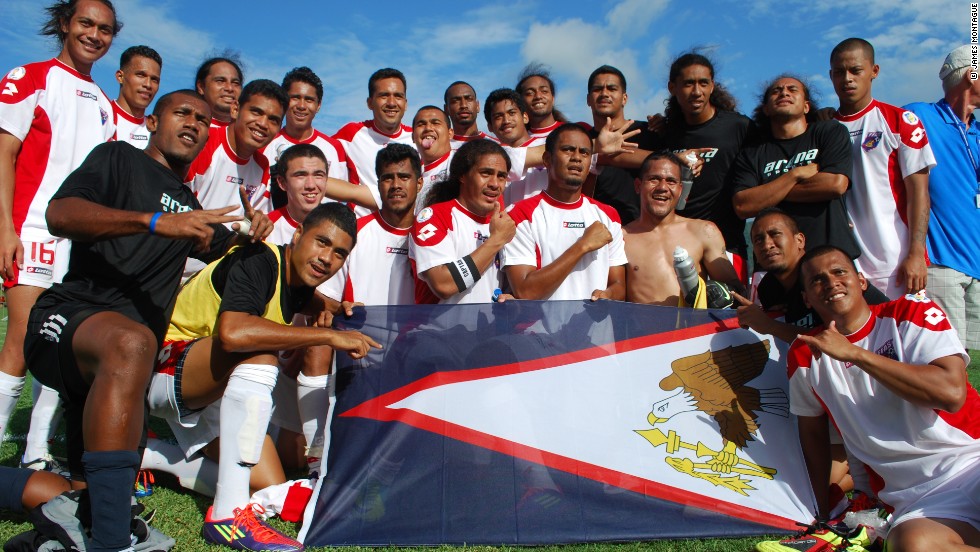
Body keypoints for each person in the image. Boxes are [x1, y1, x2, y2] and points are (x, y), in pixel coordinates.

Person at [24, 88, 270, 552]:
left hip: (120, 374)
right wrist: (153, 221)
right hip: (68, 321)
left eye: (202, 120)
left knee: (86, 500)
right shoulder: (117, 157)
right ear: (154, 122)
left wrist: (252, 232)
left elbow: (225, 242)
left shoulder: (192, 206)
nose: (194, 124)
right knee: (133, 342)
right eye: (182, 113)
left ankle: (47, 536)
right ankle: (115, 545)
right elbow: (60, 214)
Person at [146, 202, 379, 551]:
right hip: (164, 369)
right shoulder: (259, 259)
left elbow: (319, 305)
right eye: (321, 242)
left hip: (210, 382)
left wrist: (339, 311)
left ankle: (150, 455)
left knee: (266, 484)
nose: (327, 258)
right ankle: (226, 518)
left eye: (339, 253)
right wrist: (328, 335)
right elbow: (233, 334)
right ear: (297, 235)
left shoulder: (298, 281)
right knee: (259, 350)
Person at [787, 245, 980, 552]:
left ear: (862, 281)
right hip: (918, 498)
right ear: (806, 298)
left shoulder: (908, 313)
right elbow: (812, 436)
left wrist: (855, 353)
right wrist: (820, 510)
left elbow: (951, 394)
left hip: (972, 463)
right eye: (817, 280)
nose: (831, 282)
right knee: (910, 545)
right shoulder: (803, 356)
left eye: (839, 272)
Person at [0, 0, 119, 468]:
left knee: (57, 342)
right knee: (21, 342)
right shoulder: (28, 77)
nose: (94, 34)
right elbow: (5, 154)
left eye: (105, 29)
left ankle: (35, 451)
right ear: (66, 24)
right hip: (31, 231)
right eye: (86, 23)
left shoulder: (105, 108)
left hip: (80, 246)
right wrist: (5, 228)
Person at [830, 38, 935, 298]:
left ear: (874, 71)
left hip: (895, 263)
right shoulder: (822, 129)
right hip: (844, 266)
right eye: (840, 72)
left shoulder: (900, 121)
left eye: (856, 70)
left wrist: (916, 254)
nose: (848, 79)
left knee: (906, 337)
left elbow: (919, 194)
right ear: (831, 75)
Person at [731, 75, 861, 260]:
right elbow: (743, 205)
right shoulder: (752, 153)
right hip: (776, 264)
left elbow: (834, 184)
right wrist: (795, 174)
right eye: (776, 91)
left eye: (792, 90)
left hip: (830, 255)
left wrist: (769, 194)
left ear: (806, 106)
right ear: (766, 109)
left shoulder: (829, 132)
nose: (784, 92)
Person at [649, 52, 754, 276]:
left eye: (703, 83)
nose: (697, 92)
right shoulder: (666, 131)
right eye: (688, 84)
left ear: (712, 86)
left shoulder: (739, 127)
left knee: (729, 311)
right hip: (678, 247)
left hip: (727, 246)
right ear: (672, 87)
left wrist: (819, 115)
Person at [905, 44, 980, 353]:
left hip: (977, 262)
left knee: (975, 363)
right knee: (948, 358)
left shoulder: (977, 131)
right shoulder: (920, 115)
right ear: (970, 76)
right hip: (941, 263)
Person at [502, 123, 626, 301]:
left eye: (584, 152)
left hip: (598, 329)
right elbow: (525, 291)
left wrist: (609, 295)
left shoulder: (609, 215)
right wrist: (582, 246)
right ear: (547, 159)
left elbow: (619, 286)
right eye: (568, 150)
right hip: (540, 330)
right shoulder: (519, 215)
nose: (577, 158)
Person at [183, 79, 284, 278]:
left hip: (220, 271)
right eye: (256, 112)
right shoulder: (204, 142)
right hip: (178, 266)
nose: (263, 124)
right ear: (236, 109)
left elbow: (249, 223)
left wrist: (256, 226)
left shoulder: (263, 165)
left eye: (273, 120)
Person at [623, 151, 743, 306]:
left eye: (671, 181)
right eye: (654, 179)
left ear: (680, 190)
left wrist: (720, 293)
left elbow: (737, 292)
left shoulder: (704, 232)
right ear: (638, 186)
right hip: (645, 330)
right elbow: (614, 293)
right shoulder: (621, 238)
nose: (663, 187)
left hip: (696, 329)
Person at [410, 139, 516, 304]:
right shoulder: (433, 216)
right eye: (486, 173)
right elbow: (444, 284)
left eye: (501, 176)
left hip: (487, 329)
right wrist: (496, 240)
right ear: (462, 175)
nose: (495, 184)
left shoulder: (504, 224)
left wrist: (511, 297)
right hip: (435, 329)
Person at [321, 143, 420, 306]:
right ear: (378, 185)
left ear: (419, 183)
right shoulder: (353, 233)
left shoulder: (431, 235)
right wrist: (337, 309)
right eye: (387, 178)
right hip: (357, 332)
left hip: (416, 332)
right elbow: (329, 296)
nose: (396, 185)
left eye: (404, 177)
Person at [262, 66, 355, 208]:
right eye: (295, 98)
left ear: (318, 105)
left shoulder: (335, 148)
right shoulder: (264, 145)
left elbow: (342, 199)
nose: (301, 105)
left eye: (309, 100)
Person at [333, 68, 414, 216]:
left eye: (398, 96)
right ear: (370, 103)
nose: (391, 103)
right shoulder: (350, 134)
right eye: (384, 95)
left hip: (405, 233)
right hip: (360, 232)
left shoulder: (417, 138)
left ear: (406, 103)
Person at [112, 45, 161, 148]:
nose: (148, 84)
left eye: (154, 79)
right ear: (120, 77)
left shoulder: (158, 132)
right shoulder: (99, 114)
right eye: (141, 75)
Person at [515, 63, 567, 139]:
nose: (538, 96)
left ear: (553, 98)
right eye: (530, 93)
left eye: (544, 91)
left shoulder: (579, 130)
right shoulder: (517, 143)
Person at [194, 55, 243, 129]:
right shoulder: (189, 127)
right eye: (220, 81)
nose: (229, 88)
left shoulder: (253, 134)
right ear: (201, 87)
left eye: (235, 83)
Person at [445, 81, 493, 148]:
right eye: (455, 101)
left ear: (477, 106)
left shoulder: (499, 146)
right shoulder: (440, 151)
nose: (463, 105)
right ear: (446, 109)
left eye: (469, 99)